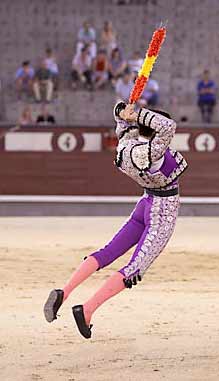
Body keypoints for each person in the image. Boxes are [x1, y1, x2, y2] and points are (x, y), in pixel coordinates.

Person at [44, 102, 188, 339]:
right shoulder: (151, 152)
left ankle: (64, 291)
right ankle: (87, 310)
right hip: (162, 210)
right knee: (134, 269)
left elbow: (123, 124)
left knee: (108, 251)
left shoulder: (126, 144)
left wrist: (122, 111)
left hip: (145, 204)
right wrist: (139, 113)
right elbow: (168, 126)